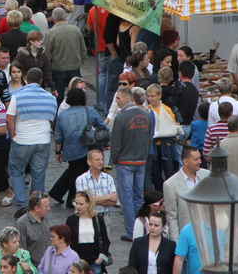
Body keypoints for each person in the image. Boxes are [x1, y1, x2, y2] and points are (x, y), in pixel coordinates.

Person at [7, 69, 57, 211]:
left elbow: (10, 117)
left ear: (26, 78)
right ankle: (36, 204)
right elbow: (53, 119)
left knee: (16, 171)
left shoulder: (18, 96)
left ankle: (22, 204)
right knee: (38, 174)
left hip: (22, 139)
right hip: (43, 139)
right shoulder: (50, 98)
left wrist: (12, 134)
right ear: (41, 81)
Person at [51, 88, 107, 208]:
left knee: (74, 173)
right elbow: (103, 126)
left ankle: (66, 196)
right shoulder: (89, 111)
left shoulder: (62, 115)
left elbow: (58, 136)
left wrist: (57, 152)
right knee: (83, 174)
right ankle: (74, 199)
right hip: (89, 148)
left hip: (71, 150)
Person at [110, 86, 152, 242]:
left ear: (127, 98)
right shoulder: (146, 115)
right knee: (138, 197)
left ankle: (130, 231)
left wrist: (114, 160)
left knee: (126, 198)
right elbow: (149, 138)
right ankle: (142, 229)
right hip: (141, 161)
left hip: (125, 162)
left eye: (118, 98)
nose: (116, 101)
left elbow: (116, 144)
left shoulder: (121, 118)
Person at [163, 146, 209, 241]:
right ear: (185, 161)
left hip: (208, 234)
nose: (200, 161)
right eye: (196, 159)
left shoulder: (208, 176)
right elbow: (172, 216)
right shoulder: (170, 184)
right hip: (188, 238)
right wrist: (176, 242)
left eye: (200, 158)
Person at [45, 8, 88, 99]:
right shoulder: (76, 30)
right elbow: (83, 50)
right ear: (65, 16)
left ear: (53, 18)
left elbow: (47, 55)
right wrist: (80, 62)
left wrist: (48, 69)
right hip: (75, 67)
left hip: (58, 69)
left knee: (58, 96)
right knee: (77, 95)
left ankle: (59, 112)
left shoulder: (50, 33)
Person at [146, 84, 181, 190]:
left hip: (167, 143)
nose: (150, 98)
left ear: (159, 96)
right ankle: (159, 193)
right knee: (155, 171)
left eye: (153, 96)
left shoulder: (167, 110)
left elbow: (174, 126)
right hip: (154, 143)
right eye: (148, 96)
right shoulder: (147, 110)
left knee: (169, 170)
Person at [67, 191, 111, 274]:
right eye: (76, 203)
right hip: (78, 260)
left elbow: (106, 241)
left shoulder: (98, 219)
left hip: (95, 259)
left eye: (81, 204)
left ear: (89, 204)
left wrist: (100, 260)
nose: (77, 206)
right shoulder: (71, 220)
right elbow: (68, 241)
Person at [75, 149, 117, 215]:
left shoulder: (108, 178)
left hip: (105, 217)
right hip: (88, 216)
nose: (100, 162)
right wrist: (108, 197)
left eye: (102, 159)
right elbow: (83, 201)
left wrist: (92, 200)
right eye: (97, 159)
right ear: (89, 162)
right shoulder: (81, 179)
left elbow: (114, 201)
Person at [18, 191, 53, 265]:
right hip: (35, 267)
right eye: (46, 206)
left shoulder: (44, 218)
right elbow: (21, 251)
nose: (49, 209)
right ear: (37, 208)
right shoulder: (22, 224)